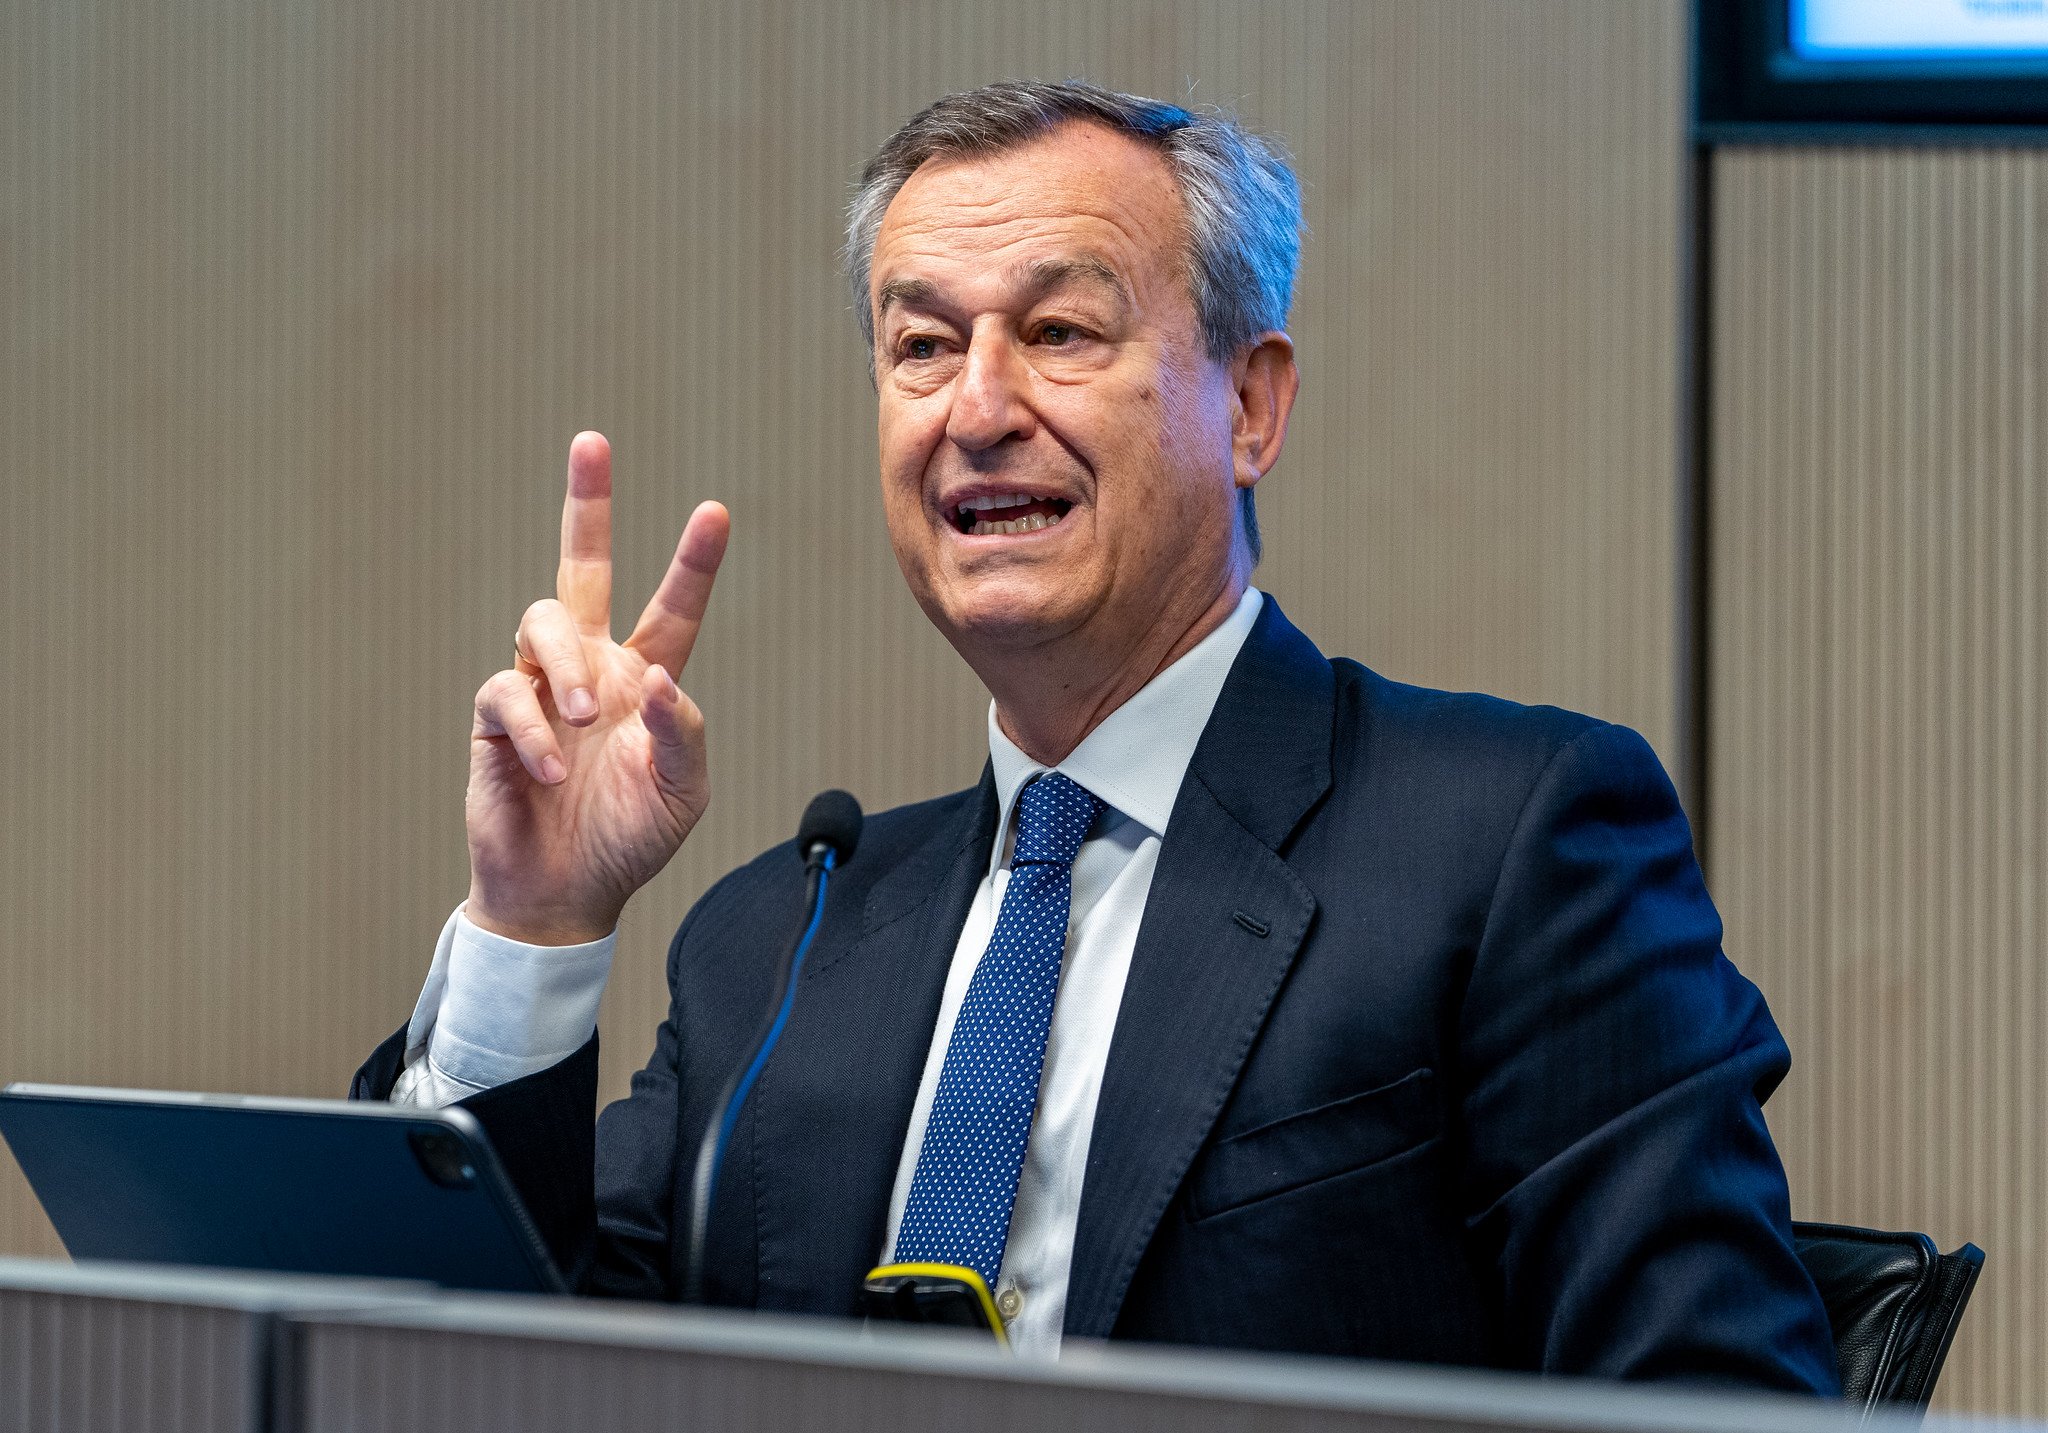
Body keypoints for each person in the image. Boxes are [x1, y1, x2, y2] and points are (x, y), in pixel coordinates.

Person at [352, 80, 1839, 1389]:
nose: (979, 407)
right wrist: (535, 924)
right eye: (922, 346)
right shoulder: (775, 948)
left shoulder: (1508, 845)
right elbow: (508, 1370)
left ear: (1249, 405)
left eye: (1060, 331)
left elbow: (1712, 1400)